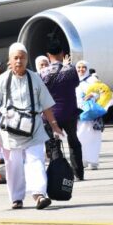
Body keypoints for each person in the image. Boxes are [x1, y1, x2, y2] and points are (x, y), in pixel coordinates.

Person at [0, 42, 63, 210]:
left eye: (22, 58)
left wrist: (54, 126)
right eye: (15, 58)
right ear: (10, 61)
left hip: (34, 129)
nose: (19, 61)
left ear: (27, 60)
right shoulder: (2, 80)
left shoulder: (35, 78)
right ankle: (16, 198)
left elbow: (46, 105)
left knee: (36, 161)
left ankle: (39, 194)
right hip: (10, 131)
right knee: (13, 165)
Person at [41, 40, 84, 180]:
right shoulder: (70, 70)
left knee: (53, 145)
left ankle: (58, 173)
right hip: (69, 112)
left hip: (50, 115)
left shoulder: (42, 73)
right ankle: (78, 173)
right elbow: (76, 84)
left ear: (48, 55)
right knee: (73, 141)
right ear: (62, 53)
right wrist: (67, 66)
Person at [75, 61, 111, 170]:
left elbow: (102, 92)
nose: (81, 69)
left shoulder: (92, 80)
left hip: (93, 114)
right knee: (80, 137)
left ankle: (94, 160)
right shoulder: (73, 80)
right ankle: (84, 160)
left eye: (84, 67)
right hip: (79, 113)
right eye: (79, 67)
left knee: (94, 137)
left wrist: (92, 95)